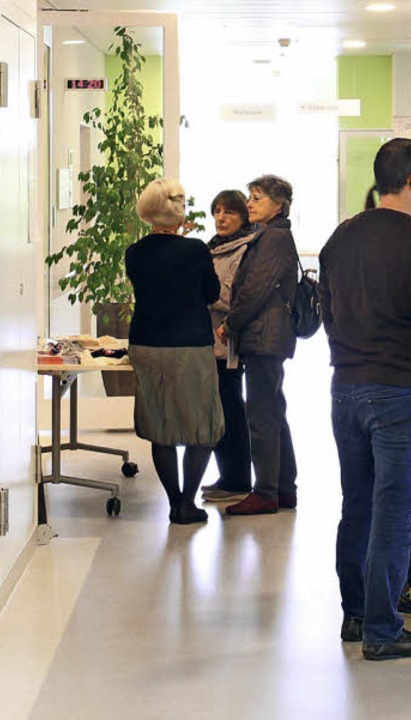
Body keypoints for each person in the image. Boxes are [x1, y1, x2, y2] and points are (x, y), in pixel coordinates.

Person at [320, 138, 411, 660]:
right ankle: (383, 631)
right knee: (395, 514)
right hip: (403, 392)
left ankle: (356, 616)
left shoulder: (340, 240)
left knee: (356, 506)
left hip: (346, 390)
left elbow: (327, 314)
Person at [124, 178, 224, 525]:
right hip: (190, 345)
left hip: (147, 343)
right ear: (179, 214)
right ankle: (188, 502)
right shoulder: (195, 250)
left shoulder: (134, 252)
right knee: (202, 426)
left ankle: (172, 503)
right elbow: (211, 293)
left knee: (160, 423)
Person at [219, 175, 300, 516]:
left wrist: (230, 324)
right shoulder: (267, 234)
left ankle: (266, 491)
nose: (249, 204)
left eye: (257, 198)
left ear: (278, 206)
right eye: (251, 197)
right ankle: (283, 487)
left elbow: (255, 289)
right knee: (273, 411)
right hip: (268, 337)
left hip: (265, 337)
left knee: (262, 414)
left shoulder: (274, 238)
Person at [201, 190, 257, 503]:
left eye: (230, 212)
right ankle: (227, 476)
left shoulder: (245, 249)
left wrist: (200, 292)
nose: (221, 218)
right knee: (220, 410)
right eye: (218, 211)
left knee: (231, 410)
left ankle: (237, 481)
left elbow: (232, 297)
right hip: (209, 341)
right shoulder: (215, 247)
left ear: (243, 216)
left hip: (228, 342)